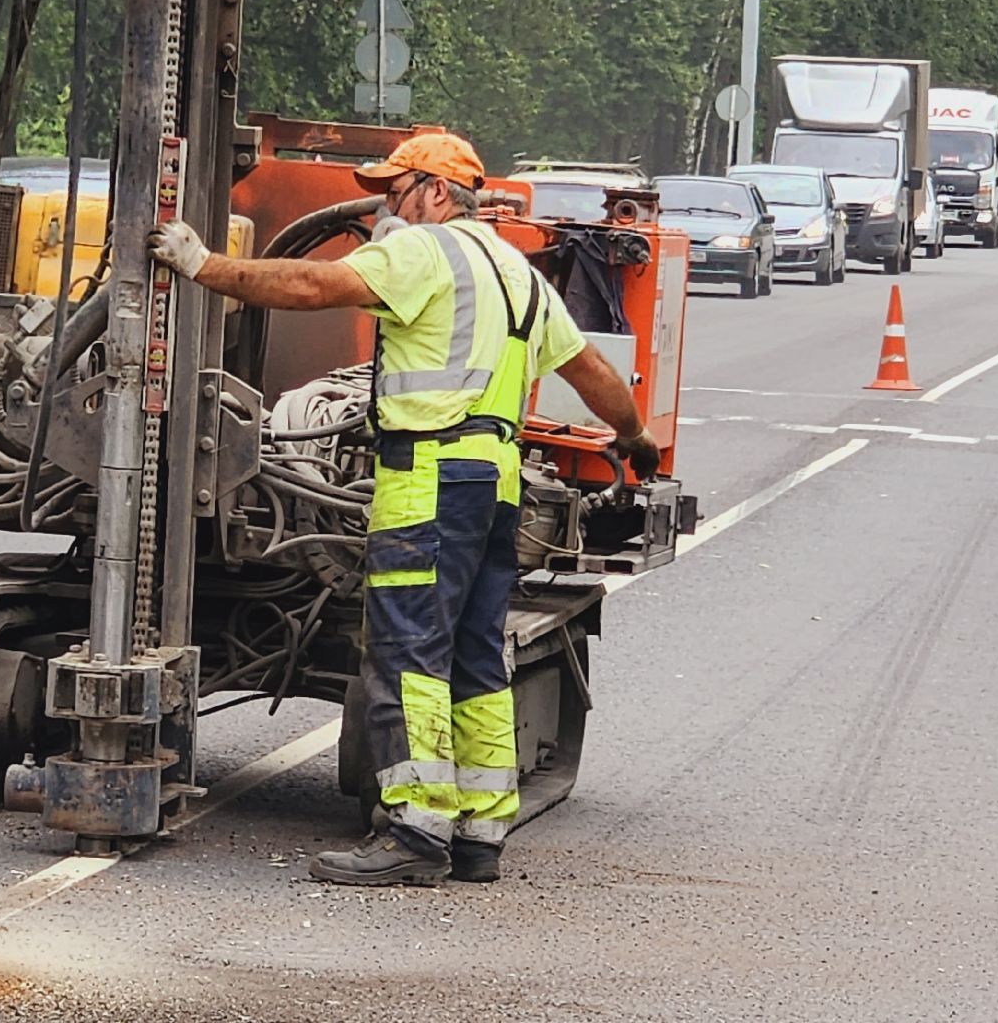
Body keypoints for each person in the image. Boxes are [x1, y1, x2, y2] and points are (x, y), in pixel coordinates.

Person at [148, 133, 660, 887]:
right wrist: (635, 436)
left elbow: (311, 288)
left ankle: (415, 829)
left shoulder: (427, 254)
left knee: (407, 652)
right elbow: (590, 370)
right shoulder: (518, 276)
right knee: (475, 655)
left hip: (428, 481)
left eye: (396, 188)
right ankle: (481, 833)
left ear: (436, 193)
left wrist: (203, 266)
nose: (388, 203)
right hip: (496, 485)